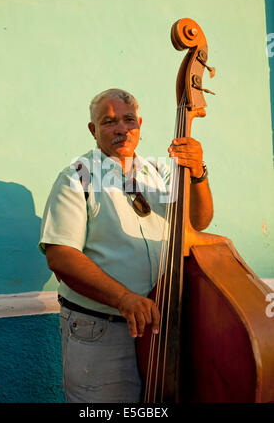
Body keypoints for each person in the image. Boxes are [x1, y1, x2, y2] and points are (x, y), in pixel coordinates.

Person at [38, 88, 213, 403]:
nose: (121, 128)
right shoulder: (77, 177)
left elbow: (198, 221)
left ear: (140, 124)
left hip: (161, 328)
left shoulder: (158, 173)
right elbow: (60, 255)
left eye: (128, 119)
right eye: (109, 122)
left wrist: (198, 173)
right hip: (102, 329)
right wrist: (124, 298)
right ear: (94, 130)